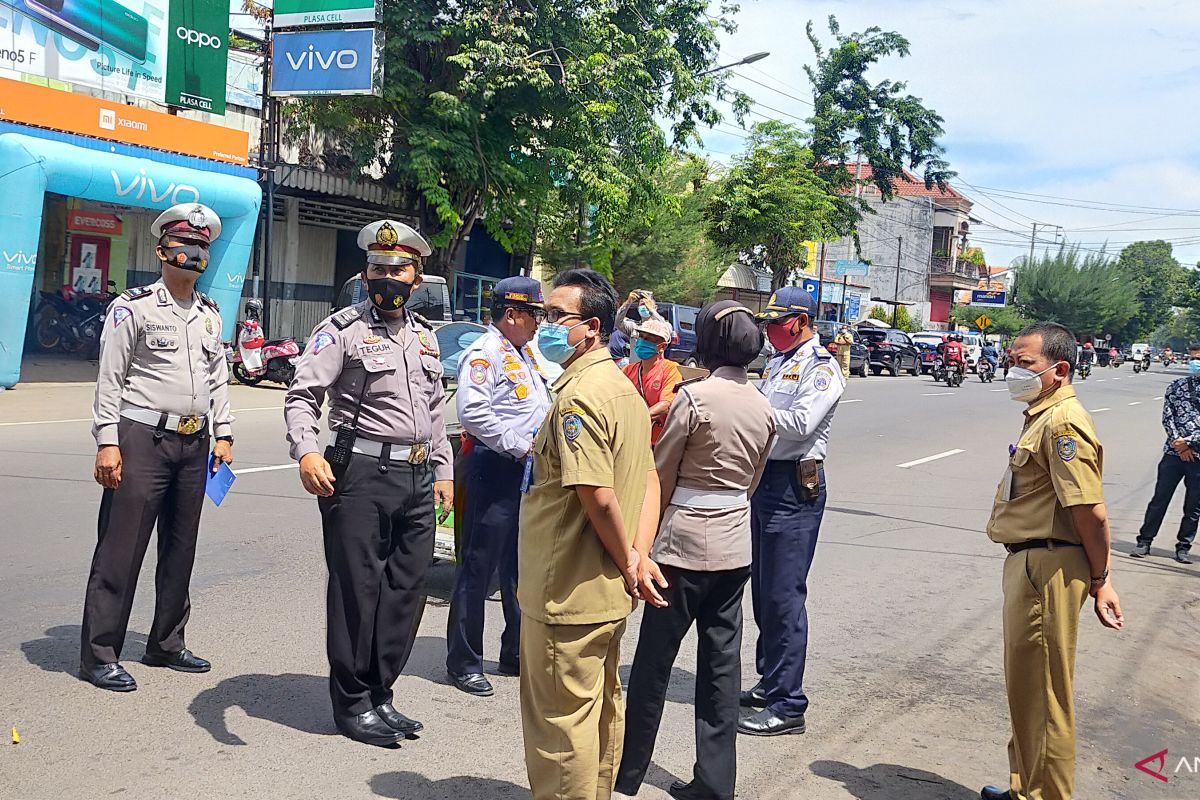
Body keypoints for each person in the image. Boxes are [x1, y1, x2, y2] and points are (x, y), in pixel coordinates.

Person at [284, 220, 453, 747]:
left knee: (407, 590)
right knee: (358, 590)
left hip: (419, 476)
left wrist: (445, 473)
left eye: (398, 269)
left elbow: (436, 413)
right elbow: (302, 395)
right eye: (378, 269)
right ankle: (352, 701)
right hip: (359, 473)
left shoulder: (425, 338)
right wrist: (307, 451)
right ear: (365, 274)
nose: (387, 278)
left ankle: (381, 691)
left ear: (416, 277)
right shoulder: (341, 330)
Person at [616, 301, 776, 800]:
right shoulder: (765, 406)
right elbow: (752, 482)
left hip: (681, 544)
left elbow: (659, 476)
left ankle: (628, 771)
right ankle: (715, 782)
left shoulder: (694, 398)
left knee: (653, 663)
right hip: (734, 545)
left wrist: (640, 549)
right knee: (722, 670)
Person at [517, 268, 657, 800]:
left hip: (567, 591)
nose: (544, 325)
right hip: (604, 592)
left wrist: (629, 561)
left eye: (556, 317)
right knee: (596, 713)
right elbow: (647, 477)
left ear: (591, 327)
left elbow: (596, 493)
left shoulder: (580, 396)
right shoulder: (620, 386)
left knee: (560, 730)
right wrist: (637, 560)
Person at [81, 203, 233, 692]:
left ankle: (166, 642)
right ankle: (100, 653)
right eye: (182, 243)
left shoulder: (209, 314)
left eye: (201, 245)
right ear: (162, 249)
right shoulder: (134, 306)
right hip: (142, 437)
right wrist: (108, 441)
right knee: (121, 549)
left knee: (181, 547)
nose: (191, 252)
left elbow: (218, 379)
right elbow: (110, 379)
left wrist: (223, 433)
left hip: (195, 441)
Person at [980, 322, 1124, 800]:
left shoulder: (1062, 422)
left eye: (1025, 364)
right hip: (1032, 563)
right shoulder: (1042, 413)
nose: (1012, 371)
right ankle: (1026, 786)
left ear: (1059, 370)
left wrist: (1102, 579)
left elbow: (1090, 511)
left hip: (1049, 567)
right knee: (1028, 690)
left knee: (1045, 696)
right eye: (1011, 361)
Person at [738, 287, 845, 736]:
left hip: (794, 488)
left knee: (783, 597)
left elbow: (801, 423)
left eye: (776, 323)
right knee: (764, 591)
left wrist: (746, 408)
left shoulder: (822, 368)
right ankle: (770, 679)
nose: (768, 331)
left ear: (800, 321)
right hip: (765, 482)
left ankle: (789, 703)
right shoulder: (780, 362)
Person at [446, 276, 552, 696]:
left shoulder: (525, 354)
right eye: (535, 315)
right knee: (478, 567)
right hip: (495, 466)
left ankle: (514, 651)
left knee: (518, 568)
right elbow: (474, 414)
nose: (539, 324)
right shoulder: (485, 354)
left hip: (524, 472)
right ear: (512, 314)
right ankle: (464, 660)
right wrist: (520, 446)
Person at [1130, 342, 1200, 564]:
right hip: (1173, 454)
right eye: (1193, 359)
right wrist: (1178, 444)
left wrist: (1188, 443)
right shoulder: (1176, 387)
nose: (1195, 364)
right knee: (1160, 499)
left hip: (1197, 456)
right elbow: (1167, 417)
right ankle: (1144, 541)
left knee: (1194, 506)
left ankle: (1183, 547)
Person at [622, 317, 683, 446]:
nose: (643, 341)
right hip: (632, 438)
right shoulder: (628, 370)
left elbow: (666, 405)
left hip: (658, 441)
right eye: (642, 336)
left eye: (650, 339)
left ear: (662, 346)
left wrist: (637, 418)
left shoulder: (671, 369)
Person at [610, 289, 664, 363]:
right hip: (635, 369)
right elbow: (617, 322)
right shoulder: (634, 327)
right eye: (642, 305)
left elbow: (665, 329)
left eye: (647, 304)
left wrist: (651, 309)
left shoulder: (661, 325)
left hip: (654, 370)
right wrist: (628, 302)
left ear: (655, 307)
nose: (645, 307)